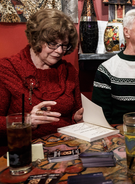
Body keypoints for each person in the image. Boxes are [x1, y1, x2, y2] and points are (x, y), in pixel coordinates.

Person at [0, 9, 83, 155]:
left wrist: (77, 118)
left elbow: (75, 113)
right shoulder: (7, 69)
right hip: (24, 152)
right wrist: (25, 122)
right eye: (52, 44)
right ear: (36, 39)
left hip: (66, 150)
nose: (59, 51)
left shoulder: (69, 71)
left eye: (64, 45)